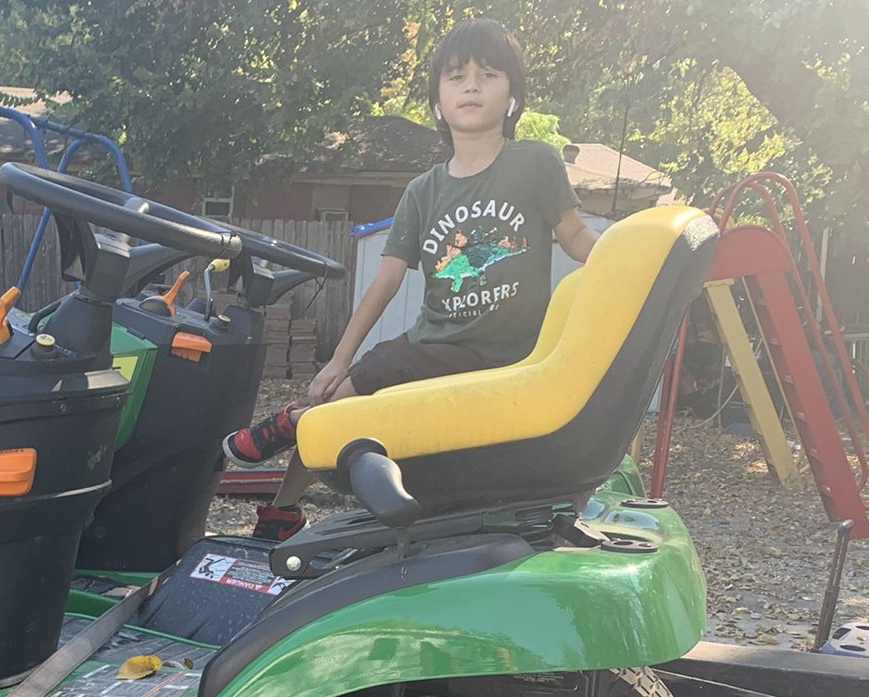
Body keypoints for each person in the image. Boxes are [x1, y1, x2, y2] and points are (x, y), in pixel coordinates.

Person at [223, 18, 603, 539]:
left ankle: (293, 424)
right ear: (437, 101)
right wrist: (338, 360)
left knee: (351, 399)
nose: (471, 85)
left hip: (512, 353)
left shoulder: (535, 163)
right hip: (436, 343)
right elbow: (386, 281)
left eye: (488, 74)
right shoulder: (423, 191)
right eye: (456, 75)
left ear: (513, 95)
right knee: (345, 398)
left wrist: (626, 255)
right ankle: (285, 502)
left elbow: (575, 234)